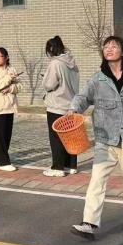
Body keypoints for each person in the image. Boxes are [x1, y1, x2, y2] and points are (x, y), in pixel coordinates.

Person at [69, 35, 123, 241]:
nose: (108, 49)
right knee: (97, 181)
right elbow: (83, 97)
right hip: (105, 140)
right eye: (106, 46)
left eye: (114, 46)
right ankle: (89, 223)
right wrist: (74, 109)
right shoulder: (98, 79)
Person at [42, 36, 80, 177]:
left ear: (52, 49)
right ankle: (71, 165)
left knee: (56, 137)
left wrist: (44, 79)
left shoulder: (55, 63)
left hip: (57, 105)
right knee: (70, 136)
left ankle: (57, 167)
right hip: (71, 105)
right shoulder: (73, 63)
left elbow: (49, 85)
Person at [0, 47, 20, 172]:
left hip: (10, 106)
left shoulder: (12, 69)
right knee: (0, 136)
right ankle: (3, 162)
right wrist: (8, 79)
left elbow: (20, 86)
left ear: (6, 57)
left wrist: (10, 88)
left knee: (6, 135)